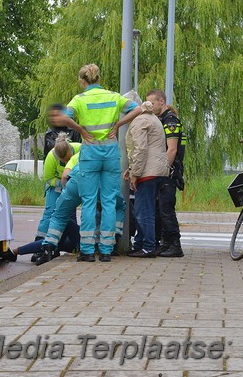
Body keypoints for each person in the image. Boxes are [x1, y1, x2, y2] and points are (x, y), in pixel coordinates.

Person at [49, 63, 142, 262]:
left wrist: (81, 130)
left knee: (89, 201)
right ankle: (107, 251)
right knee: (109, 201)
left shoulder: (79, 99)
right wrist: (119, 124)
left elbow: (63, 117)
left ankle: (88, 251)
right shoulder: (113, 97)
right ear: (99, 78)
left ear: (83, 81)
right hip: (110, 153)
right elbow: (139, 109)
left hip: (90, 153)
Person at [34, 151, 126, 264]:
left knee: (59, 215)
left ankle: (49, 248)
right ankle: (107, 249)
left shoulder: (80, 151)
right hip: (104, 183)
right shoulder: (111, 154)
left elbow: (64, 176)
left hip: (77, 178)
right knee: (117, 207)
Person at [124, 100, 170, 257]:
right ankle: (140, 244)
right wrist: (130, 170)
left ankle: (148, 247)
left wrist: (135, 173)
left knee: (143, 211)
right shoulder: (153, 118)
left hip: (147, 172)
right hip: (157, 170)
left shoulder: (139, 121)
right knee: (146, 209)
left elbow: (140, 149)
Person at [146, 89, 187, 257]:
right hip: (161, 170)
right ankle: (164, 244)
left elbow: (172, 149)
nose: (150, 106)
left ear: (161, 101)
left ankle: (175, 246)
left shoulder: (170, 120)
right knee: (159, 209)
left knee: (166, 209)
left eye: (152, 103)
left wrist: (163, 171)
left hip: (168, 172)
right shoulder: (160, 119)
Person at [30, 134, 81, 261]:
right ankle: (40, 242)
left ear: (71, 152)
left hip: (73, 184)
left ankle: (68, 243)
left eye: (67, 159)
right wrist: (61, 184)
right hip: (55, 187)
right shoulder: (51, 158)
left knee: (70, 214)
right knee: (50, 213)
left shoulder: (80, 149)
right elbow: (48, 179)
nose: (65, 162)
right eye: (62, 161)